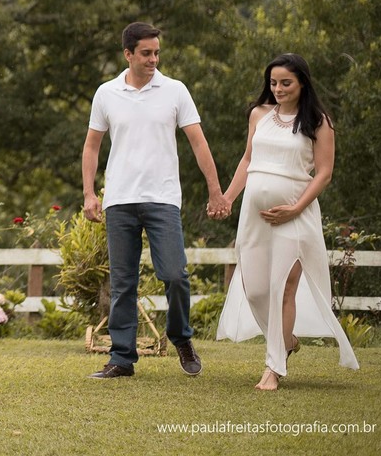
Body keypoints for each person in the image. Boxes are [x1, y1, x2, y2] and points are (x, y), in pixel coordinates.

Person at [82, 22, 227, 379]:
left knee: (175, 275)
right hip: (119, 199)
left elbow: (198, 141)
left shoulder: (175, 90)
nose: (153, 59)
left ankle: (181, 338)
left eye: (157, 52)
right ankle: (122, 358)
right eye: (146, 53)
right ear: (128, 54)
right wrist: (89, 193)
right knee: (123, 283)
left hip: (162, 197)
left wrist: (215, 189)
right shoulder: (106, 93)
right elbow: (92, 145)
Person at [213, 53, 359, 390]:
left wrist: (295, 208)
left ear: (302, 83)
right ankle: (287, 340)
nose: (277, 88)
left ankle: (273, 368)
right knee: (255, 288)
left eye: (285, 83)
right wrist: (229, 198)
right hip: (254, 214)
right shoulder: (259, 115)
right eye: (273, 82)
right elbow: (248, 159)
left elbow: (324, 173)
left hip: (296, 214)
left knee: (283, 287)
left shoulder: (319, 122)